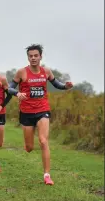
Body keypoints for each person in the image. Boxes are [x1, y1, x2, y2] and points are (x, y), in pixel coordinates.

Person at [8, 44, 73, 185]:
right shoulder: (21, 73)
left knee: (43, 141)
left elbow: (56, 84)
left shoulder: (46, 71)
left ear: (40, 56)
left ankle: (47, 175)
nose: (33, 58)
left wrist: (65, 86)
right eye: (30, 56)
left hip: (43, 110)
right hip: (26, 113)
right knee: (29, 147)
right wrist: (17, 93)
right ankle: (27, 145)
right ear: (28, 57)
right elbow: (9, 88)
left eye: (35, 55)